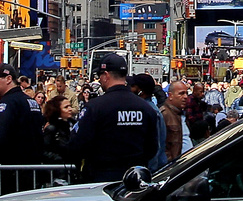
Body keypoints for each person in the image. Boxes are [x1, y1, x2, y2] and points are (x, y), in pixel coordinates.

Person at [68, 54, 159, 182]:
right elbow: (152, 148)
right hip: (135, 180)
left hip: (100, 179)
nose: (99, 80)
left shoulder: (94, 107)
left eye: (100, 76)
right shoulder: (146, 108)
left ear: (106, 75)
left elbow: (77, 143)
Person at [0, 63, 43, 166]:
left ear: (8, 79)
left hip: (11, 170)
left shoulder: (7, 103)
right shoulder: (30, 101)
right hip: (33, 168)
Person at [129, 74, 168, 170]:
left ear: (141, 91)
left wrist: (150, 172)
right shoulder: (146, 109)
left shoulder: (150, 111)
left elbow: (155, 147)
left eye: (133, 86)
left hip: (154, 168)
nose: (130, 89)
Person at [162, 80, 190, 163]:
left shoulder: (180, 114)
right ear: (170, 95)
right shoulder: (164, 115)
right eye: (181, 93)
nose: (185, 97)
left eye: (186, 93)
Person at [41, 95, 74, 165]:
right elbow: (44, 151)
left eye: (70, 106)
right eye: (66, 107)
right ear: (57, 110)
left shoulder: (73, 125)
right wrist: (59, 159)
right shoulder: (52, 128)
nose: (70, 109)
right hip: (58, 170)